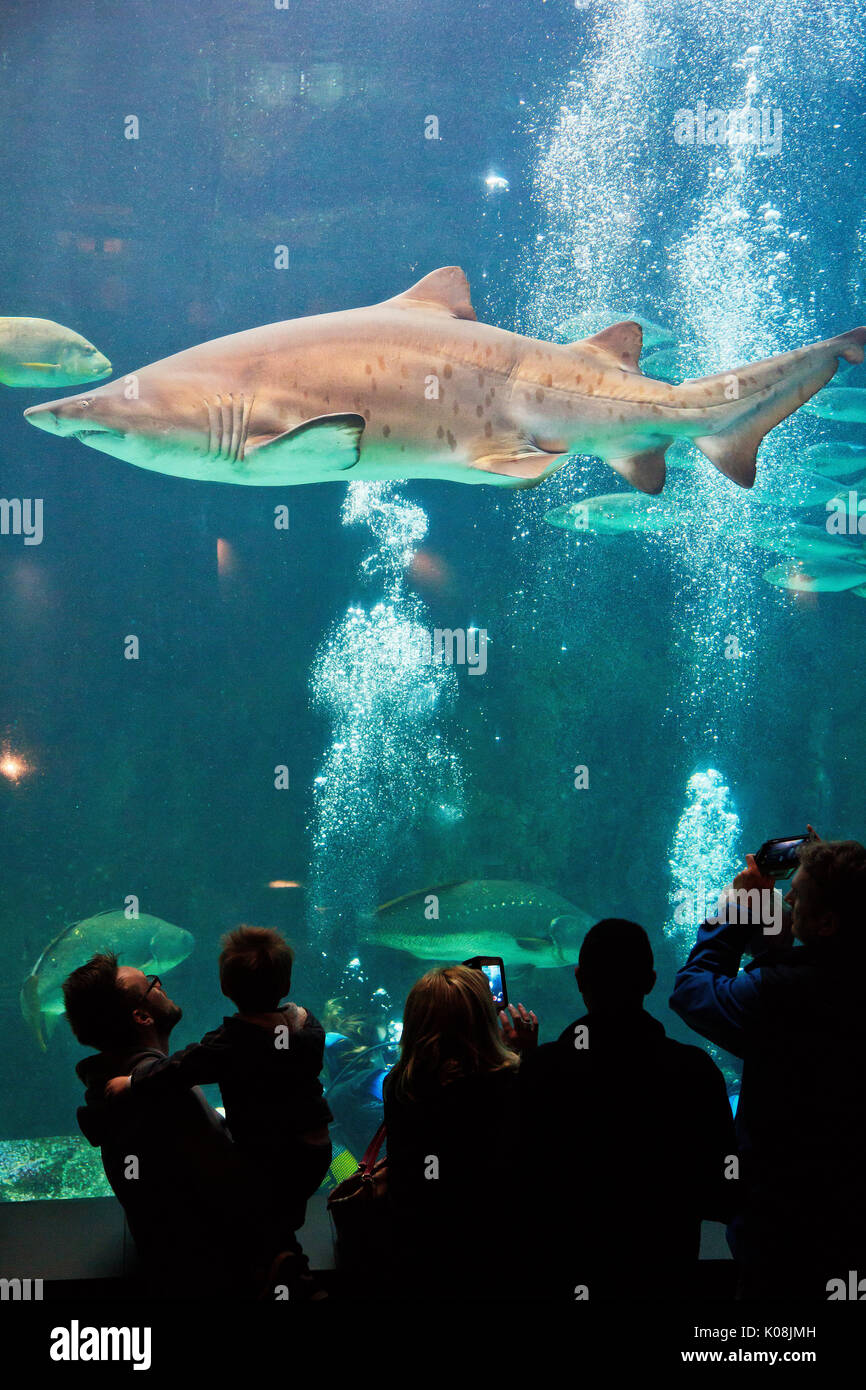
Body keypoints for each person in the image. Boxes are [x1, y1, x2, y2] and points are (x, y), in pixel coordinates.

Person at [670, 835, 866, 1299]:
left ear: (828, 922)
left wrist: (736, 911)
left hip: (784, 1228)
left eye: (796, 895)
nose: (786, 899)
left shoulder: (782, 994)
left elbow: (693, 992)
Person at [105, 926, 333, 1298]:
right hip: (316, 1146)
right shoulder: (309, 1027)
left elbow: (179, 1069)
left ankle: (290, 1274)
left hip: (271, 1154)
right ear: (286, 983)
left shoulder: (233, 1042)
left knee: (263, 1221)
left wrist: (130, 1083)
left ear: (226, 988)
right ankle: (281, 1260)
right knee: (279, 1217)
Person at [520, 919, 737, 1300]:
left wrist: (529, 1060)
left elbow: (520, 1176)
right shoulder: (693, 1070)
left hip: (562, 1269)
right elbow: (721, 1192)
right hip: (663, 1275)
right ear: (652, 981)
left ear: (579, 979)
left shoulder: (543, 1069)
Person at [64, 953, 255, 1298]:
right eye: (152, 982)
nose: (160, 983)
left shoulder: (107, 1085)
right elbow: (235, 1187)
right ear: (142, 1015)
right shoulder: (165, 1093)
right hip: (220, 1277)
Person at [382, 964, 536, 1299]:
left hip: (419, 1244)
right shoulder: (508, 1080)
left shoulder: (398, 1083)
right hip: (495, 1245)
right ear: (485, 1019)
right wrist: (526, 1055)